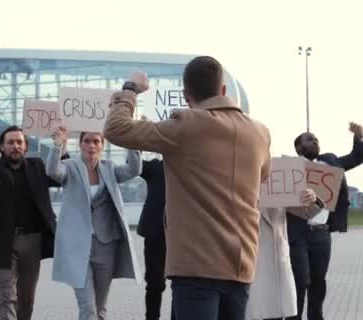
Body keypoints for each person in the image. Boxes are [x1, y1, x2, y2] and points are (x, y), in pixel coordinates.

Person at [103, 56, 271, 320]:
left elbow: (116, 129)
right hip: (241, 263)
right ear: (223, 90)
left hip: (197, 266)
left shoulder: (185, 126)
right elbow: (262, 177)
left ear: (186, 95)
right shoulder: (260, 133)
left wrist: (130, 89)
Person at [46, 126, 142, 320]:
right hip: (77, 247)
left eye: (96, 141)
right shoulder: (71, 167)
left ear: (102, 145)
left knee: (100, 308)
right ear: (80, 144)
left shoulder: (109, 168)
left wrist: (132, 141)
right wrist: (57, 146)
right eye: (87, 140)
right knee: (88, 307)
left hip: (106, 246)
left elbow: (134, 169)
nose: (91, 145)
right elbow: (53, 171)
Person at [0, 125, 60, 320]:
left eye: (19, 142)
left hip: (32, 240)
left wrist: (61, 147)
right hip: (1, 241)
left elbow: (59, 177)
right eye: (10, 142)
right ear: (2, 147)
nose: (15, 146)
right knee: (6, 296)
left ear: (25, 146)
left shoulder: (37, 165)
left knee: (26, 297)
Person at [286, 124, 363, 320]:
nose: (314, 141)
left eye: (316, 139)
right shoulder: (289, 168)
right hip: (298, 233)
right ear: (298, 147)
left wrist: (359, 137)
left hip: (322, 233)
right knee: (301, 280)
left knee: (318, 282)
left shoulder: (330, 162)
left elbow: (356, 157)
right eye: (309, 139)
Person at [246, 189, 324, 320]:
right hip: (249, 254)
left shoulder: (280, 178)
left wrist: (312, 199)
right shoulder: (239, 175)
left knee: (273, 310)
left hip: (275, 255)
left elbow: (306, 212)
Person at [137, 116, 170, 320]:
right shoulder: (154, 167)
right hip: (155, 233)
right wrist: (140, 133)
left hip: (183, 233)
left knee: (183, 284)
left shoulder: (189, 168)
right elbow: (134, 164)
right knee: (155, 284)